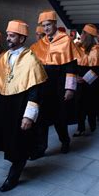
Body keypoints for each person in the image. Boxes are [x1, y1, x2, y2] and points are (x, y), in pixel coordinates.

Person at [0, 19, 47, 192]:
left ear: (21, 38)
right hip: (5, 107)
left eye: (12, 36)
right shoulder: (4, 57)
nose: (8, 39)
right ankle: (18, 161)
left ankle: (13, 176)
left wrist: (29, 116)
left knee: (20, 142)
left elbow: (35, 91)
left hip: (20, 107)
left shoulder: (31, 59)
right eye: (8, 35)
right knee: (9, 140)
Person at [30, 10, 76, 157]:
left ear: (55, 24)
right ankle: (41, 147)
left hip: (59, 84)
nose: (46, 28)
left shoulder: (65, 40)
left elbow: (71, 66)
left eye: (48, 25)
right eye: (44, 26)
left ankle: (65, 141)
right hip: (43, 85)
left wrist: (70, 88)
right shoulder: (40, 43)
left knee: (59, 117)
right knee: (41, 118)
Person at [72, 24, 99, 136]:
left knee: (91, 104)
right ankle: (80, 127)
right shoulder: (78, 47)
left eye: (82, 33)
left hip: (91, 82)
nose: (80, 35)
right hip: (78, 80)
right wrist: (76, 76)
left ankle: (92, 123)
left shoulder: (96, 49)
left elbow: (98, 69)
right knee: (78, 105)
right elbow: (73, 64)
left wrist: (85, 79)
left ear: (88, 35)